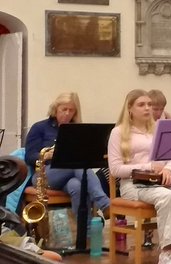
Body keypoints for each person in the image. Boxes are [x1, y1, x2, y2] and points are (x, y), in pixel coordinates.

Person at [107, 89, 171, 264]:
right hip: (133, 185)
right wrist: (148, 167)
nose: (147, 108)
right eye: (141, 105)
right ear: (129, 108)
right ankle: (167, 254)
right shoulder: (118, 133)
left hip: (160, 183)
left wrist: (168, 168)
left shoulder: (159, 129)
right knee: (167, 197)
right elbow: (115, 169)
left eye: (149, 104)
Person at [24, 92, 110, 220]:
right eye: (64, 109)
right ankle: (104, 203)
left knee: (77, 186)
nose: (67, 113)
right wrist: (46, 155)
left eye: (71, 111)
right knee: (77, 163)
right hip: (44, 175)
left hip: (70, 174)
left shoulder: (76, 129)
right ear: (56, 108)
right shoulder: (40, 127)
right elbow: (29, 156)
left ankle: (83, 233)